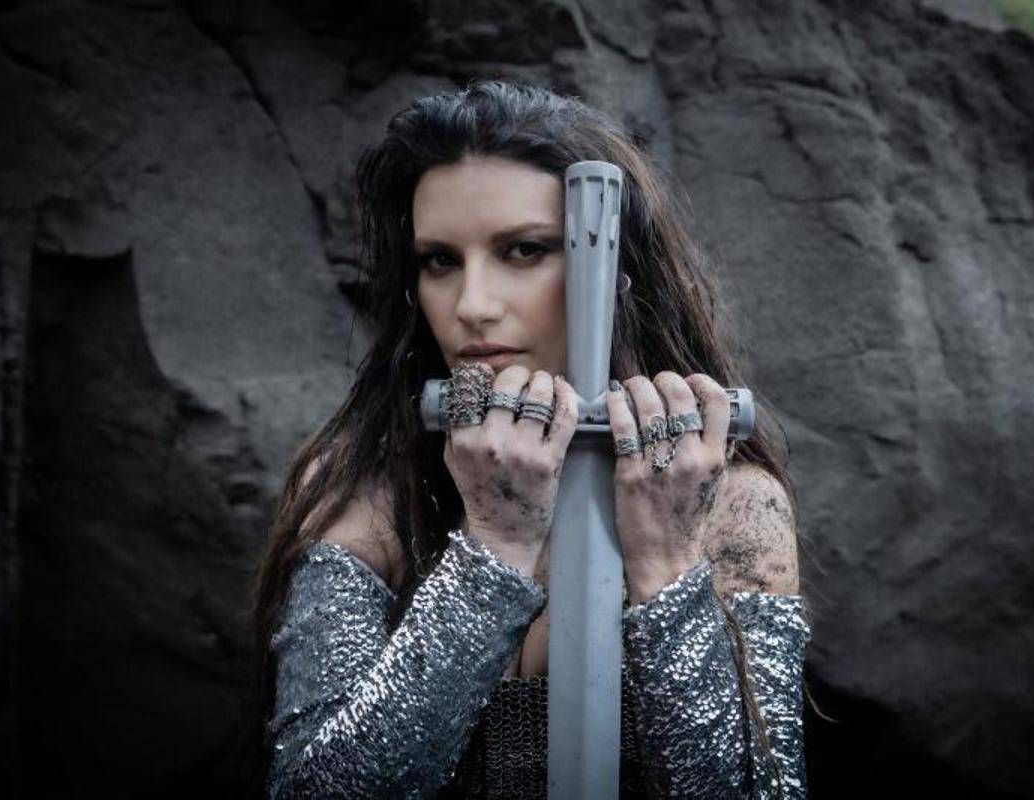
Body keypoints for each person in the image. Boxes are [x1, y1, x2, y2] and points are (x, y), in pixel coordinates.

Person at [252, 79, 810, 799]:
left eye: (522, 250)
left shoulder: (730, 506)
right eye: (440, 261)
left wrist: (667, 564)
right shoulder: (364, 493)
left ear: (618, 271)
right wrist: (495, 543)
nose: (473, 306)